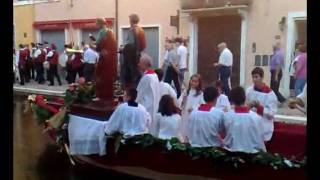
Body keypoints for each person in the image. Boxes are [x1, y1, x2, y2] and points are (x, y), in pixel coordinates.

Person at [223, 86, 266, 153]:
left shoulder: (227, 116)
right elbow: (261, 137)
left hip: (232, 153)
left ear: (231, 101)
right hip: (252, 154)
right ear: (245, 98)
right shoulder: (256, 117)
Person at [246, 67, 278, 141]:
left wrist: (259, 107)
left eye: (256, 77)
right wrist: (249, 106)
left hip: (264, 126)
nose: (254, 79)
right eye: (253, 77)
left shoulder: (270, 94)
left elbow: (272, 113)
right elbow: (245, 105)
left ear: (262, 77)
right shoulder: (249, 90)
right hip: (251, 125)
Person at [94, 18, 118, 101]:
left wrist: (92, 45)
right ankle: (108, 96)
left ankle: (101, 96)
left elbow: (97, 45)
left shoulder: (102, 32)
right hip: (110, 60)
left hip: (104, 59)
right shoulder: (110, 31)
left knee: (100, 77)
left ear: (100, 24)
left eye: (96, 23)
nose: (95, 25)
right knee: (108, 78)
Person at [121, 13, 146, 88]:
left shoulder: (132, 30)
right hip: (137, 55)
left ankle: (131, 94)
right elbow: (143, 45)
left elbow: (130, 45)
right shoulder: (141, 30)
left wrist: (122, 49)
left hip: (130, 57)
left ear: (131, 20)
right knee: (137, 74)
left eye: (129, 19)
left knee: (130, 77)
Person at [178, 74, 204, 138]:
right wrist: (183, 100)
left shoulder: (200, 94)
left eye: (196, 82)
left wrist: (194, 108)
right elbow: (179, 103)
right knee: (184, 131)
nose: (193, 83)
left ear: (199, 83)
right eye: (192, 81)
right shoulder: (186, 91)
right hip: (185, 115)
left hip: (194, 115)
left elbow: (202, 105)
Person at [136, 53, 160, 121]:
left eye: (140, 63)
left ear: (144, 64)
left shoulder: (147, 77)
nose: (138, 65)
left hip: (146, 107)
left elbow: (138, 94)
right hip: (153, 106)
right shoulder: (154, 75)